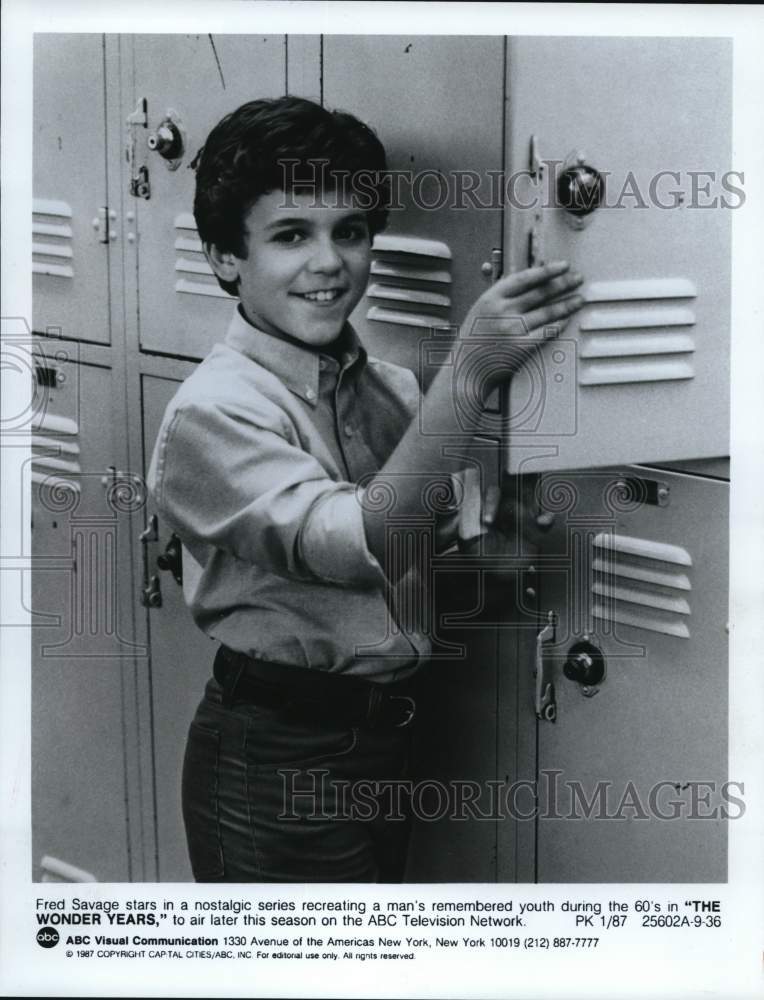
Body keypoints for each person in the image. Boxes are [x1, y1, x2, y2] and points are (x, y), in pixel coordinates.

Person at [147, 95, 584, 883]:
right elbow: (361, 544)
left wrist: (496, 559)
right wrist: (473, 370)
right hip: (275, 765)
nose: (329, 261)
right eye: (290, 235)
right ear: (223, 258)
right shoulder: (211, 415)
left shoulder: (388, 393)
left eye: (349, 231)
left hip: (387, 744)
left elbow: (397, 578)